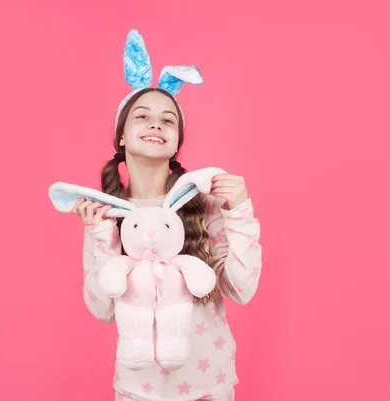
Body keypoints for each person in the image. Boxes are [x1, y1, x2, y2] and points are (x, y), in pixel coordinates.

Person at [70, 32, 262, 401]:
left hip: (209, 385)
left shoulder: (203, 201)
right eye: (142, 116)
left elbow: (242, 288)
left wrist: (240, 211)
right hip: (137, 390)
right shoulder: (105, 212)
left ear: (177, 142)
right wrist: (100, 236)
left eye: (167, 120)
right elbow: (101, 309)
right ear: (121, 136)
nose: (155, 125)